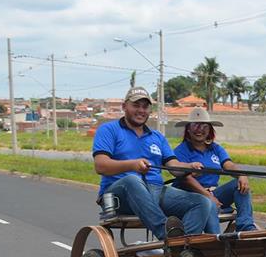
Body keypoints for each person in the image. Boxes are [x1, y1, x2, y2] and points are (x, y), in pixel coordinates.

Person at [92, 87, 216, 240]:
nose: (141, 110)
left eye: (145, 107)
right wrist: (132, 165)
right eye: (136, 105)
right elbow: (100, 165)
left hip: (155, 192)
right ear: (124, 106)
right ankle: (167, 234)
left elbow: (173, 166)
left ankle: (182, 247)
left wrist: (189, 167)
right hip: (119, 195)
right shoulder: (108, 130)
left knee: (202, 202)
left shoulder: (157, 137)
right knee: (132, 180)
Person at [172, 108, 257, 232]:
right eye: (195, 125)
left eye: (204, 126)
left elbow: (228, 164)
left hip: (213, 193)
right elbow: (186, 179)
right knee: (208, 204)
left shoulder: (216, 148)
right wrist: (208, 196)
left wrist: (241, 175)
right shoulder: (181, 150)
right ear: (188, 129)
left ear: (209, 130)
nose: (199, 130)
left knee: (238, 185)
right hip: (191, 196)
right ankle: (215, 239)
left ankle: (246, 227)